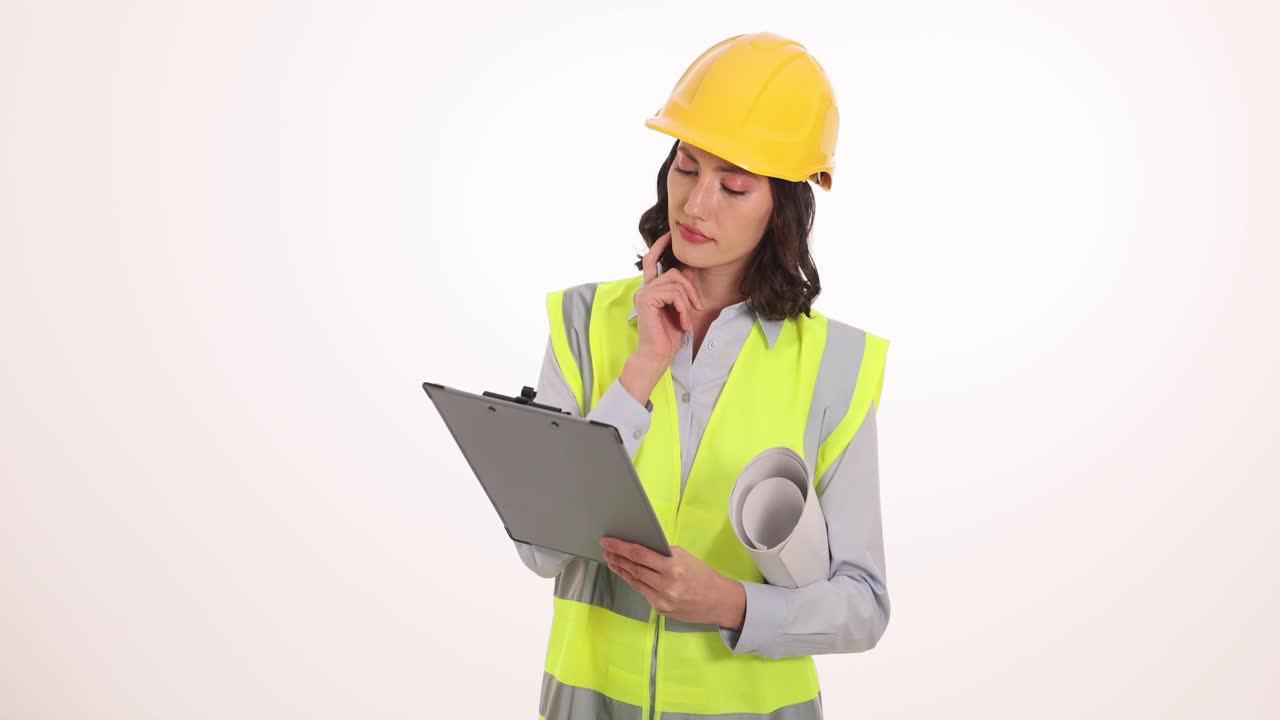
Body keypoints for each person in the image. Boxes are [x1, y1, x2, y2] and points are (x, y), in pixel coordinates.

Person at [514, 31, 890, 720]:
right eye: (686, 168)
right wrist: (639, 371)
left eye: (734, 185)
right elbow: (540, 551)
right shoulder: (585, 322)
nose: (695, 204)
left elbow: (863, 605)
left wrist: (732, 604)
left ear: (783, 205)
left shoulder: (836, 366)